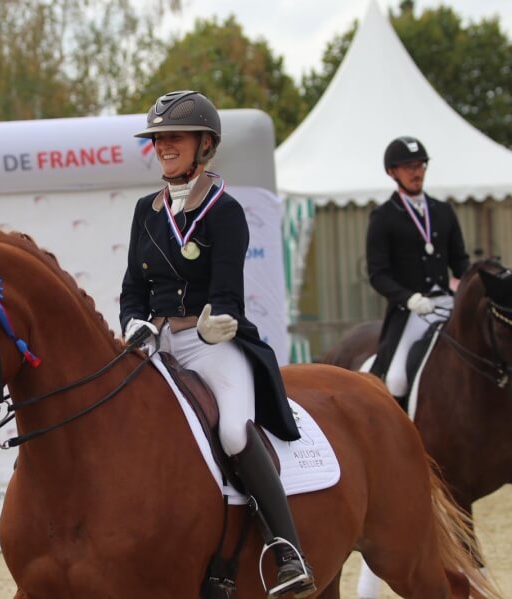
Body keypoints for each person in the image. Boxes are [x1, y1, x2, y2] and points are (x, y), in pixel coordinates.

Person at [119, 90, 316, 598]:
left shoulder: (225, 211)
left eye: (175, 137)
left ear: (204, 145)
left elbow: (228, 293)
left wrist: (217, 322)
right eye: (158, 139)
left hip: (208, 345)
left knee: (232, 432)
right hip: (155, 345)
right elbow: (133, 289)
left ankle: (287, 550)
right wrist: (133, 323)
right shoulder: (145, 211)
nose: (164, 146)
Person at [366, 136, 470, 403]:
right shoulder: (383, 217)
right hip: (412, 310)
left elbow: (460, 262)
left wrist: (471, 283)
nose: (417, 172)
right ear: (392, 172)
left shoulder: (443, 211)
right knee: (396, 379)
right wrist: (408, 298)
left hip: (447, 304)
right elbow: (378, 274)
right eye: (408, 167)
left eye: (420, 165)